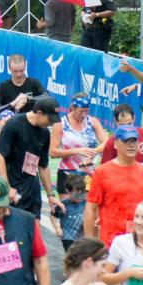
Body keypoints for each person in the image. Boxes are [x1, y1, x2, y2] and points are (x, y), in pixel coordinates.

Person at [86, 125, 143, 244]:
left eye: (134, 140)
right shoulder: (102, 172)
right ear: (115, 144)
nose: (131, 144)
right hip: (111, 242)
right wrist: (88, 243)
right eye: (126, 141)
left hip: (139, 241)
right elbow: (91, 208)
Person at [0, 95, 63, 221]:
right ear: (39, 113)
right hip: (13, 187)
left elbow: (43, 165)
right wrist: (6, 187)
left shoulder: (44, 133)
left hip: (32, 188)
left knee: (33, 231)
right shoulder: (14, 125)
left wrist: (50, 194)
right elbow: (0, 155)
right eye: (49, 119)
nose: (51, 123)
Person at [50, 95, 106, 243]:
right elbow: (53, 152)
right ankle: (70, 249)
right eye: (81, 111)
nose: (83, 115)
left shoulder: (92, 122)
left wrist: (93, 152)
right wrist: (77, 151)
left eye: (86, 111)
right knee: (69, 215)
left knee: (90, 212)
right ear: (72, 108)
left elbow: (106, 142)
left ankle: (90, 247)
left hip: (87, 174)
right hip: (68, 174)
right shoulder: (60, 124)